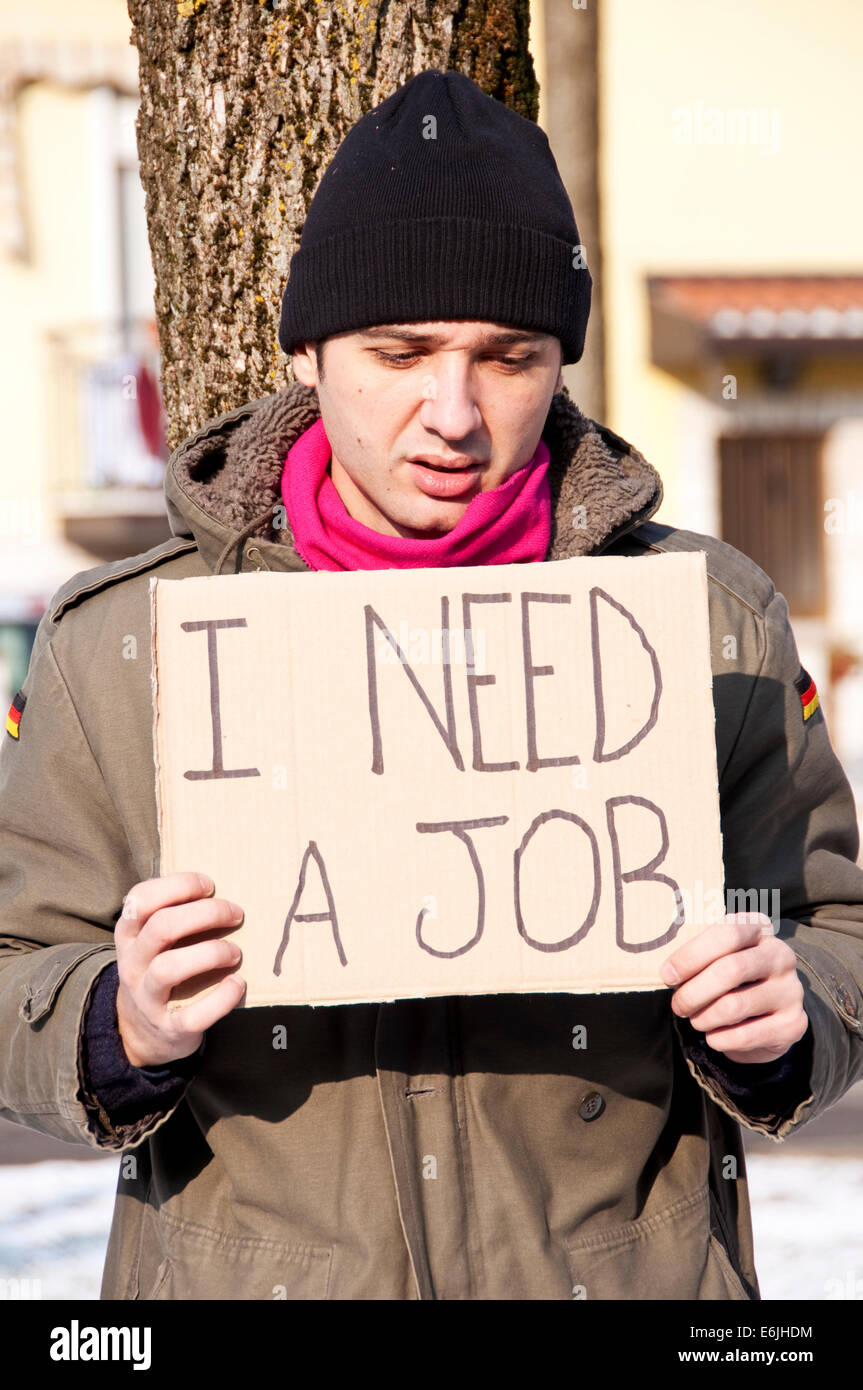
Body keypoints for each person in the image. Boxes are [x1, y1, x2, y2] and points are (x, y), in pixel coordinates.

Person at [1, 68, 861, 1302]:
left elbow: (835, 930)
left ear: (557, 361)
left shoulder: (706, 623)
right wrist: (113, 1024)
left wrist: (790, 1017)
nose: (449, 413)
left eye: (505, 358)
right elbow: (10, 969)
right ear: (306, 349)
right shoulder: (123, 641)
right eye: (397, 353)